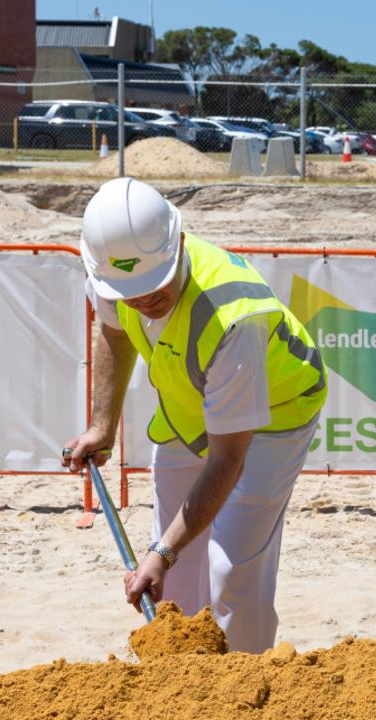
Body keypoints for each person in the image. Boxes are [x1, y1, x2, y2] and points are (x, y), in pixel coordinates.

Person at [62, 177, 327, 653]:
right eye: (131, 293)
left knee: (231, 568)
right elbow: (114, 331)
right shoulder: (116, 271)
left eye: (154, 289)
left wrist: (162, 552)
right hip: (189, 407)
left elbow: (228, 461)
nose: (142, 302)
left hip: (276, 414)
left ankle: (247, 684)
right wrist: (103, 426)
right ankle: (182, 680)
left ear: (179, 244)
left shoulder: (234, 315)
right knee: (173, 579)